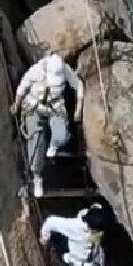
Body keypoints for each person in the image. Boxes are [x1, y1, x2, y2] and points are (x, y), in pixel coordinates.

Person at [12, 50, 85, 199]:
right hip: (35, 106)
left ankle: (52, 146)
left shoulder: (65, 70)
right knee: (36, 141)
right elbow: (23, 86)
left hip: (55, 107)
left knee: (62, 136)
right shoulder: (37, 70)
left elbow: (78, 85)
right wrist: (17, 104)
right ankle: (37, 176)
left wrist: (78, 109)